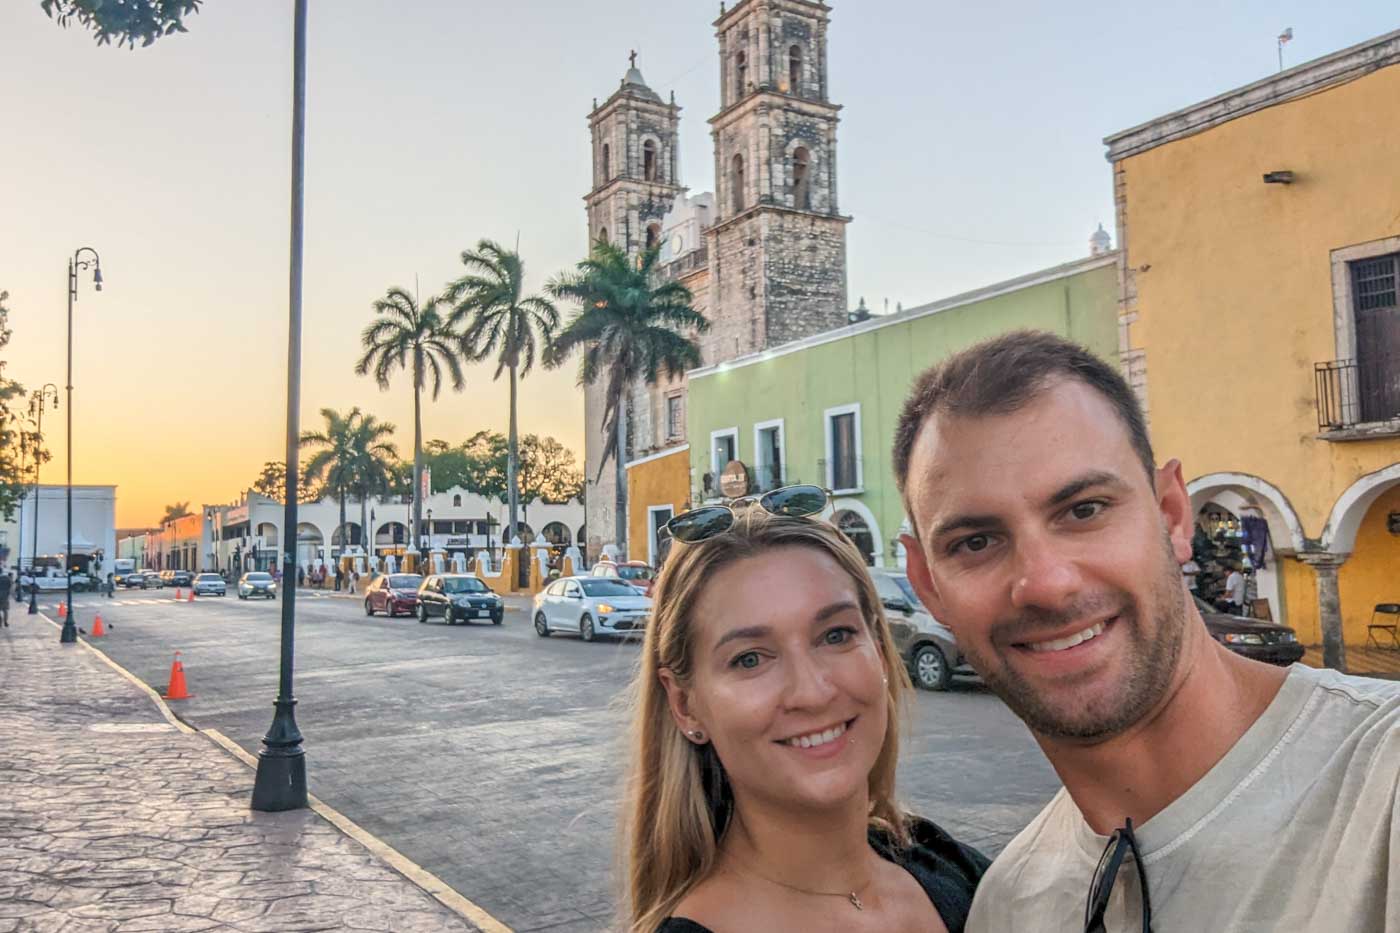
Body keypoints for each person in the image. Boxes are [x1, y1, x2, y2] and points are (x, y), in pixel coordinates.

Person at [892, 330, 1399, 932]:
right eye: (975, 542)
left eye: (1084, 510)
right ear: (927, 585)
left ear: (1171, 514)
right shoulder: (1009, 906)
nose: (1047, 583)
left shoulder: (1380, 785)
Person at [624, 490, 987, 933]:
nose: (812, 693)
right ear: (685, 705)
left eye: (835, 635)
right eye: (750, 659)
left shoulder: (953, 869)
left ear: (877, 646)